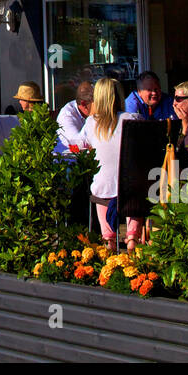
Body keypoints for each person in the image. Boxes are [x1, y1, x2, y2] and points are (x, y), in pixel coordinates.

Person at [81, 78, 127, 251]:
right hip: (131, 190)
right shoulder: (133, 118)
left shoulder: (91, 123)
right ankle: (132, 238)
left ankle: (108, 240)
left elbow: (82, 146)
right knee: (135, 189)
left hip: (104, 189)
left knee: (101, 182)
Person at [55, 81, 94, 153]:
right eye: (96, 104)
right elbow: (77, 145)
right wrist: (92, 117)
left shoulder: (86, 110)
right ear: (84, 104)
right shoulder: (67, 116)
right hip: (68, 160)